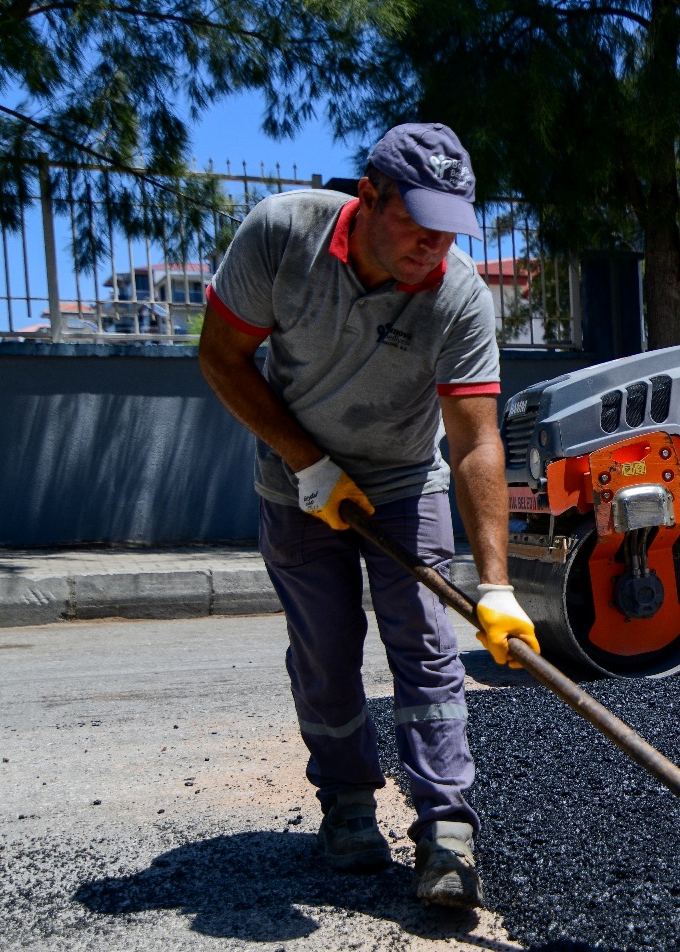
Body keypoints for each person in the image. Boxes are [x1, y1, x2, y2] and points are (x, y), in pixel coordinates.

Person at [197, 122, 538, 909]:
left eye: (450, 230)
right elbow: (220, 356)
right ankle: (347, 804)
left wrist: (495, 585)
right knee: (324, 653)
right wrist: (309, 463)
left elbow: (476, 442)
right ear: (368, 195)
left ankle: (447, 828)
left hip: (403, 480)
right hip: (295, 477)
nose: (434, 247)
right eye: (417, 223)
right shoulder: (284, 235)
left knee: (425, 647)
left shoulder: (455, 297)